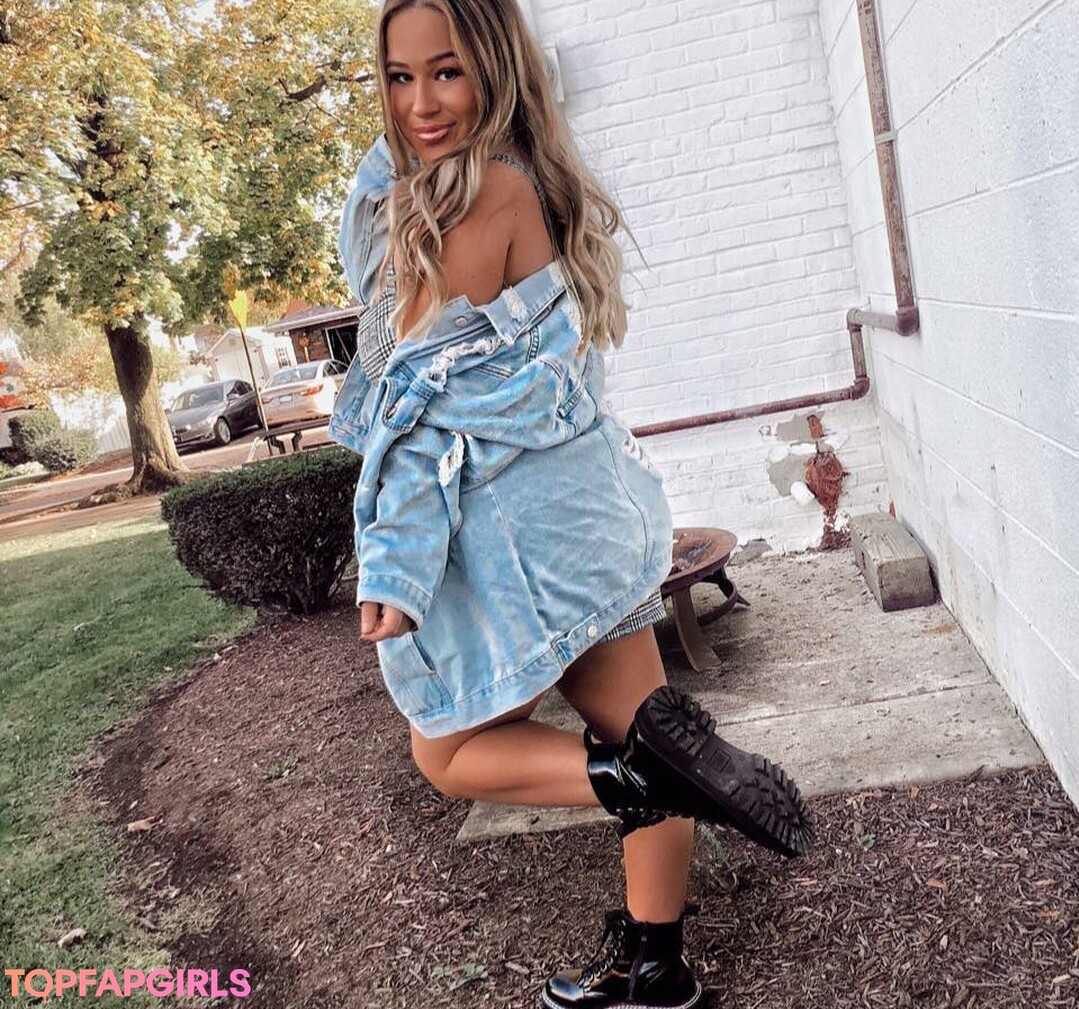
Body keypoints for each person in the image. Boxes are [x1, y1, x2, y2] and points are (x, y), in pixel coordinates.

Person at [329, 1, 815, 1005]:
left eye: (447, 72)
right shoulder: (529, 173)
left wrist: (397, 565)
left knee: (449, 748)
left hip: (528, 540)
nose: (420, 104)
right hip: (591, 514)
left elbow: (421, 412)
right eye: (399, 77)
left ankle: (641, 779)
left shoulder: (469, 200)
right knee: (644, 719)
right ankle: (655, 967)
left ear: (494, 67)